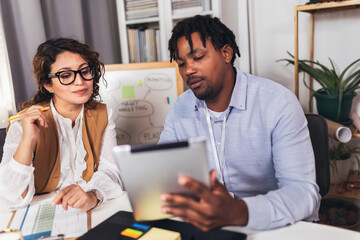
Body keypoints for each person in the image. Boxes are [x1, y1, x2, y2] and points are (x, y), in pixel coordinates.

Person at [158, 15, 320, 231]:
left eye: (197, 57)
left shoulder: (278, 103)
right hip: (209, 226)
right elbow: (161, 176)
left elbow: (303, 193)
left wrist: (238, 211)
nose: (188, 70)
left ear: (226, 53)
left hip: (275, 226)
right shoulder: (181, 108)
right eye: (181, 64)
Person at [0, 38, 123, 212]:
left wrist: (92, 195)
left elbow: (111, 171)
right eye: (65, 75)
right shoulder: (24, 122)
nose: (80, 81)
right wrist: (28, 139)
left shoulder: (103, 114)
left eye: (85, 71)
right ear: (47, 85)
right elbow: (10, 197)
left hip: (88, 209)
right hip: (38, 210)